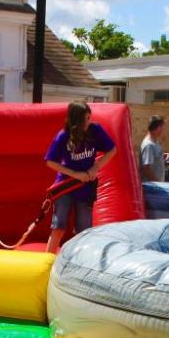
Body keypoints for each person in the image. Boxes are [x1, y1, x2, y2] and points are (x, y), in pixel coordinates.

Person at [43, 101, 118, 254]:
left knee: (84, 230)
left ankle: (80, 262)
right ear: (76, 120)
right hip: (67, 185)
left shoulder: (95, 130)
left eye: (89, 118)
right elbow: (50, 162)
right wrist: (75, 174)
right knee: (59, 227)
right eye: (85, 119)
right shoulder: (63, 136)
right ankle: (47, 263)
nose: (88, 122)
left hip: (85, 187)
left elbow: (112, 150)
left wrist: (95, 168)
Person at [139, 116, 167, 182]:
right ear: (157, 128)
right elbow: (146, 168)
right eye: (162, 127)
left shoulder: (155, 142)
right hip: (152, 188)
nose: (163, 130)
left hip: (155, 186)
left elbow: (156, 157)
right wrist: (158, 184)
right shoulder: (149, 145)